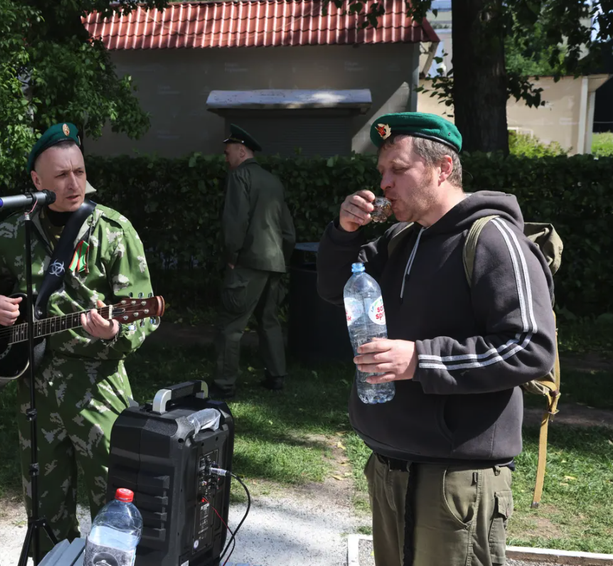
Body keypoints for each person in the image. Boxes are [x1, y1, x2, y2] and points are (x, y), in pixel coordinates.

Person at [316, 112, 557, 566]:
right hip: (389, 466)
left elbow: (531, 347)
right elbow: (334, 288)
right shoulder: (402, 239)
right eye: (381, 172)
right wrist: (344, 234)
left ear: (442, 168)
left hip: (456, 480)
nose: (384, 183)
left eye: (399, 170)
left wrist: (419, 361)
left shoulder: (493, 238)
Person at [0, 122, 157, 549]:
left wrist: (115, 330)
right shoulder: (16, 231)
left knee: (113, 502)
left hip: (98, 387)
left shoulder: (112, 231)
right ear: (37, 181)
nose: (74, 183)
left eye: (79, 171)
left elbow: (144, 312)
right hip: (35, 390)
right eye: (61, 175)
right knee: (44, 511)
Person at [212, 124, 296, 398]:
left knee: (230, 324)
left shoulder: (239, 177)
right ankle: (277, 377)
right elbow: (288, 231)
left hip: (249, 262)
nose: (226, 158)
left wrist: (232, 256)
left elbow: (235, 221)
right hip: (274, 262)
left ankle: (224, 384)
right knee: (269, 321)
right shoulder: (273, 181)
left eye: (228, 153)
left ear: (241, 150)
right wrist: (281, 259)